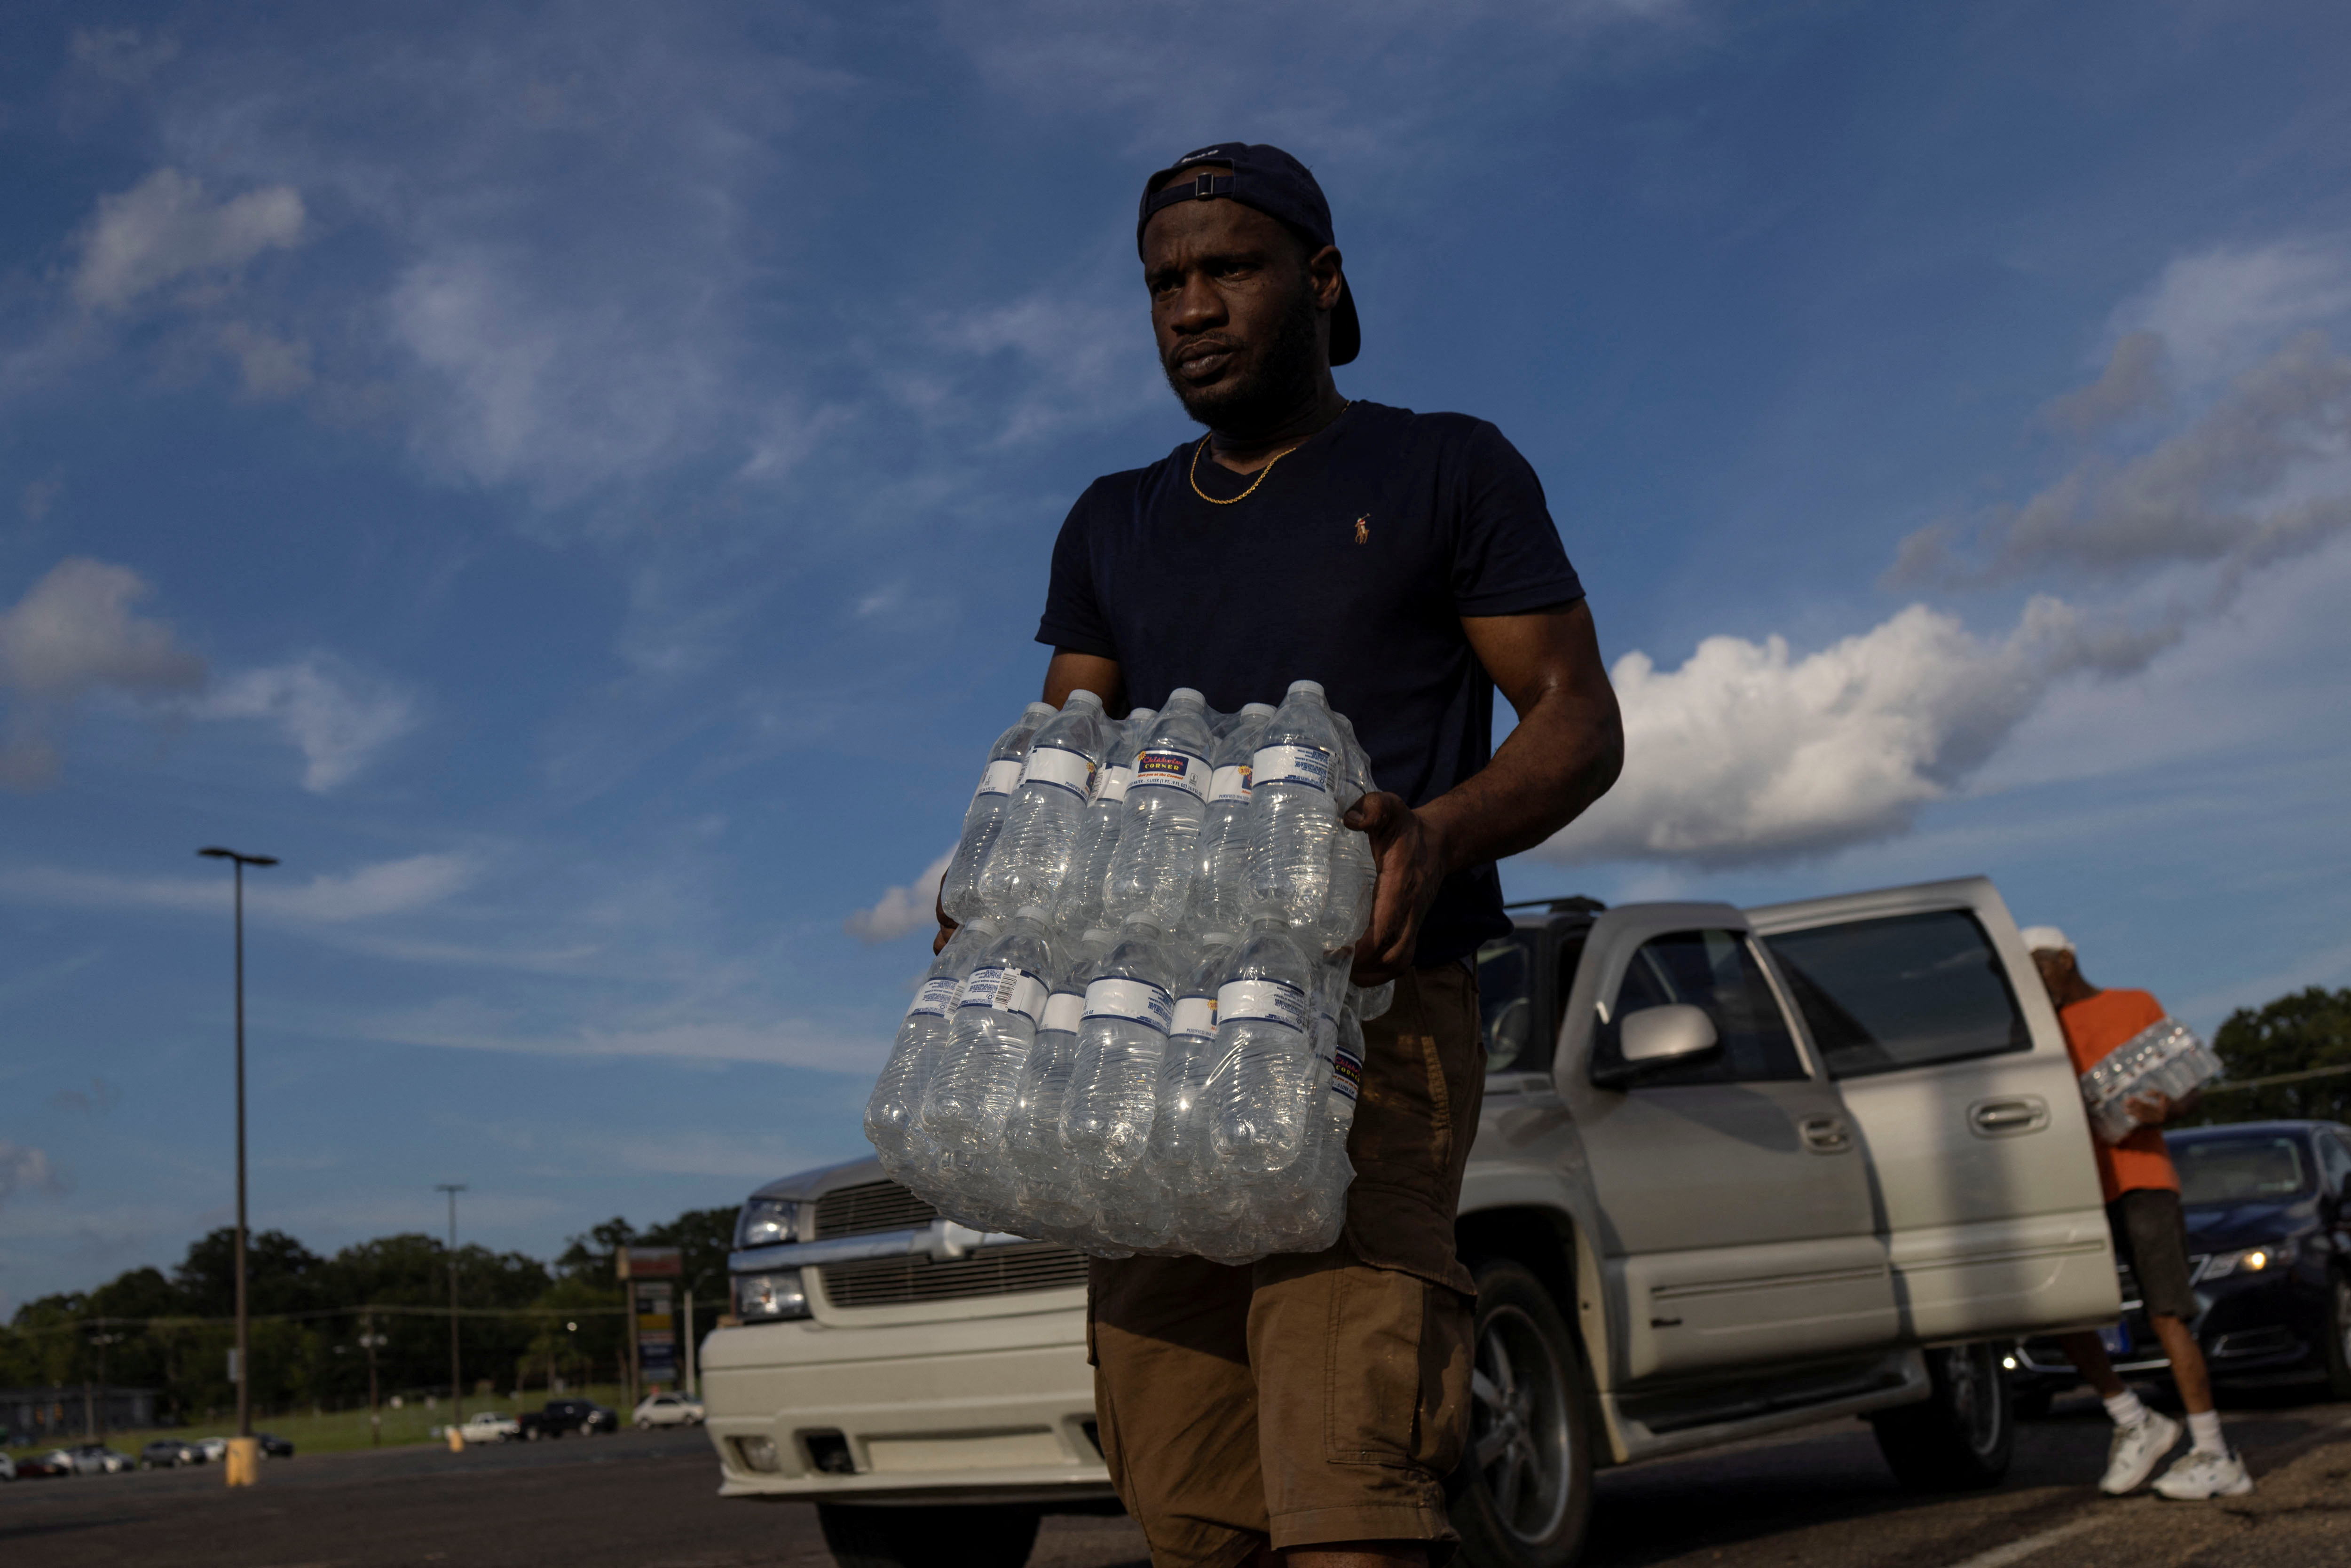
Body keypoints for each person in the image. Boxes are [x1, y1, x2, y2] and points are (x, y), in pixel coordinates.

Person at [938, 143, 1623, 1567]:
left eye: (1229, 269)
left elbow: (1575, 719)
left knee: (1346, 1482)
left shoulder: (1442, 466)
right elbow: (1065, 752)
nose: (1192, 308)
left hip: (1371, 1014)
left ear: (1319, 279)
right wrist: (995, 894)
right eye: (1164, 283)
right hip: (1139, 1045)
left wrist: (1438, 831)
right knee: (1190, 1503)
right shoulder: (1112, 520)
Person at [2023, 926, 2253, 1501]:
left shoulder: (2133, 1004)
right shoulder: (2032, 1031)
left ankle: (2214, 1452)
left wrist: (2165, 1109)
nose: (2034, 980)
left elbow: (2191, 1088)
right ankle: (2132, 1416)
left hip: (2141, 1179)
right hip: (2074, 1188)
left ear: (2064, 958)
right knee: (2060, 1307)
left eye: (2038, 966)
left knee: (2166, 1311)